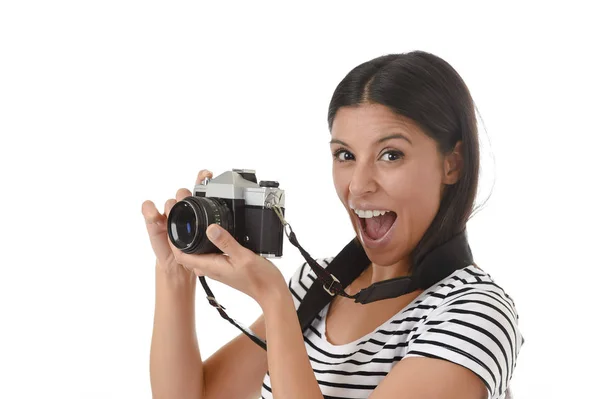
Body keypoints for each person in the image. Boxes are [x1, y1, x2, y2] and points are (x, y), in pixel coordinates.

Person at [142, 50, 523, 399]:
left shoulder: (476, 314)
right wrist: (175, 272)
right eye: (345, 155)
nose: (358, 185)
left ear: (451, 164)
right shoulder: (318, 283)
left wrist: (274, 300)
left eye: (391, 155)